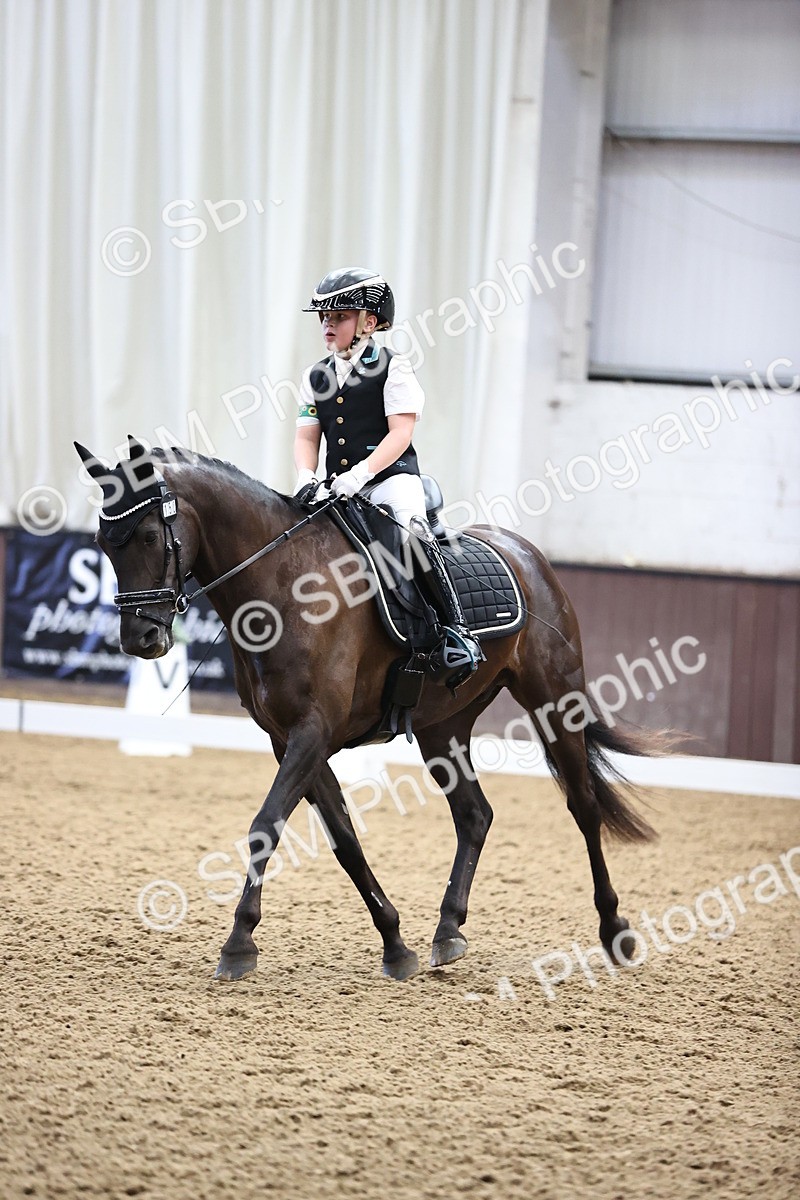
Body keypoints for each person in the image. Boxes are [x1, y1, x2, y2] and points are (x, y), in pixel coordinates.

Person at [292, 266, 483, 683]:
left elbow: (401, 434)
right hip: (336, 487)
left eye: (339, 316)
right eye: (324, 316)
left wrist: (361, 474)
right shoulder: (316, 376)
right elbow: (307, 436)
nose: (328, 323)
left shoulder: (394, 368)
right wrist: (306, 475)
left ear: (369, 322)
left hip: (390, 480)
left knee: (414, 539)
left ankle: (455, 633)